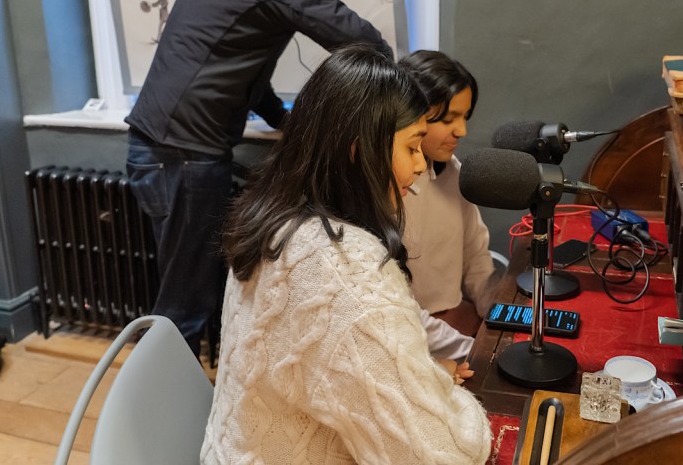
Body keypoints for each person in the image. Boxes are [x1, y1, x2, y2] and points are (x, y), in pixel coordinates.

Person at [202, 46, 492, 464]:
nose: (416, 168)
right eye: (411, 148)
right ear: (359, 152)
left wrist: (420, 380)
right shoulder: (347, 271)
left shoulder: (274, 217)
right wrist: (441, 394)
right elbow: (438, 455)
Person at [125, 0, 391, 358]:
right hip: (184, 155)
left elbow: (248, 74)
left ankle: (177, 401)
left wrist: (283, 119)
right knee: (185, 306)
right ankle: (167, 417)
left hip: (161, 150)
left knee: (189, 293)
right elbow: (359, 38)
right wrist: (391, 87)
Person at [399, 50, 500, 339]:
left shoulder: (453, 173)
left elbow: (476, 259)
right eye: (449, 119)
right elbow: (398, 313)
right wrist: (469, 349)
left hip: (454, 322)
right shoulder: (387, 190)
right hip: (411, 335)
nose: (462, 131)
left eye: (465, 116)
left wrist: (498, 314)